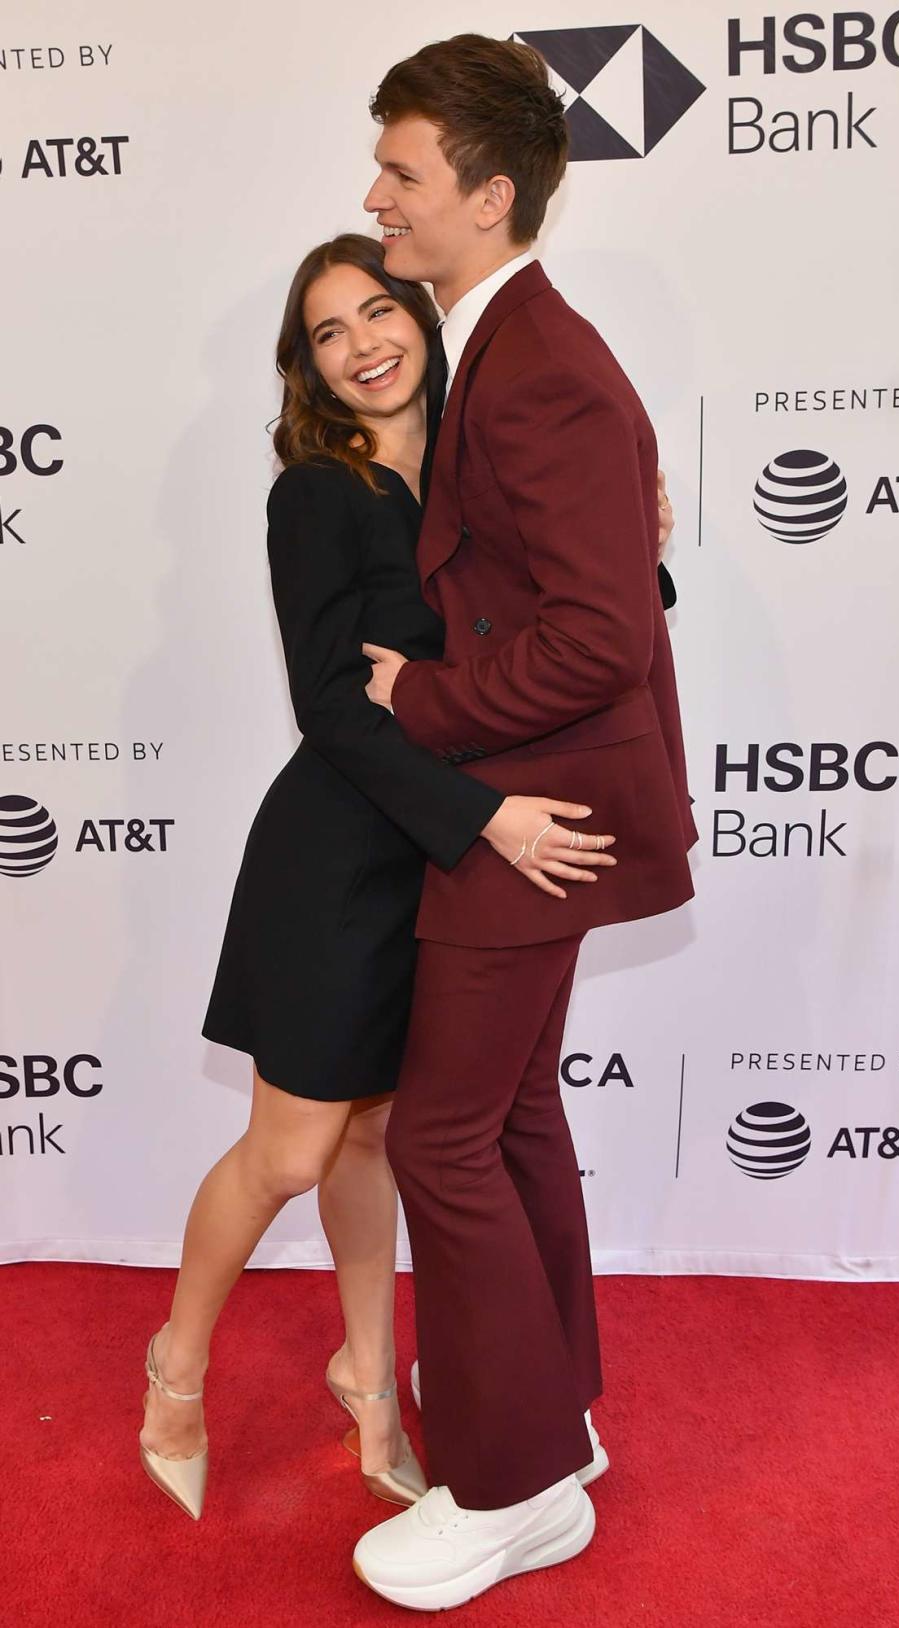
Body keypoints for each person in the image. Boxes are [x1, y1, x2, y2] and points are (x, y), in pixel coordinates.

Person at [137, 232, 618, 1522]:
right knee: (293, 1146)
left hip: (444, 863)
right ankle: (175, 1368)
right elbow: (332, 711)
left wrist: (654, 544)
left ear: (420, 311)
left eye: (376, 312)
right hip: (341, 857)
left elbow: (562, 617)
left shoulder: (476, 462)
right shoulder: (317, 494)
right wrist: (485, 820)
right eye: (328, 334)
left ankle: (370, 1377)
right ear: (307, 368)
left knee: (384, 1131)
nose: (362, 347)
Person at [351, 34, 697, 1611]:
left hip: (535, 806)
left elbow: (599, 636)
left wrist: (418, 702)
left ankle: (507, 1487)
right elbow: (596, 586)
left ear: (490, 197)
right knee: (511, 1117)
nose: (377, 201)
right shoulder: (509, 341)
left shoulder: (538, 359)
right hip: (545, 794)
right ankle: (553, 1433)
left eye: (405, 175)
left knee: (441, 1133)